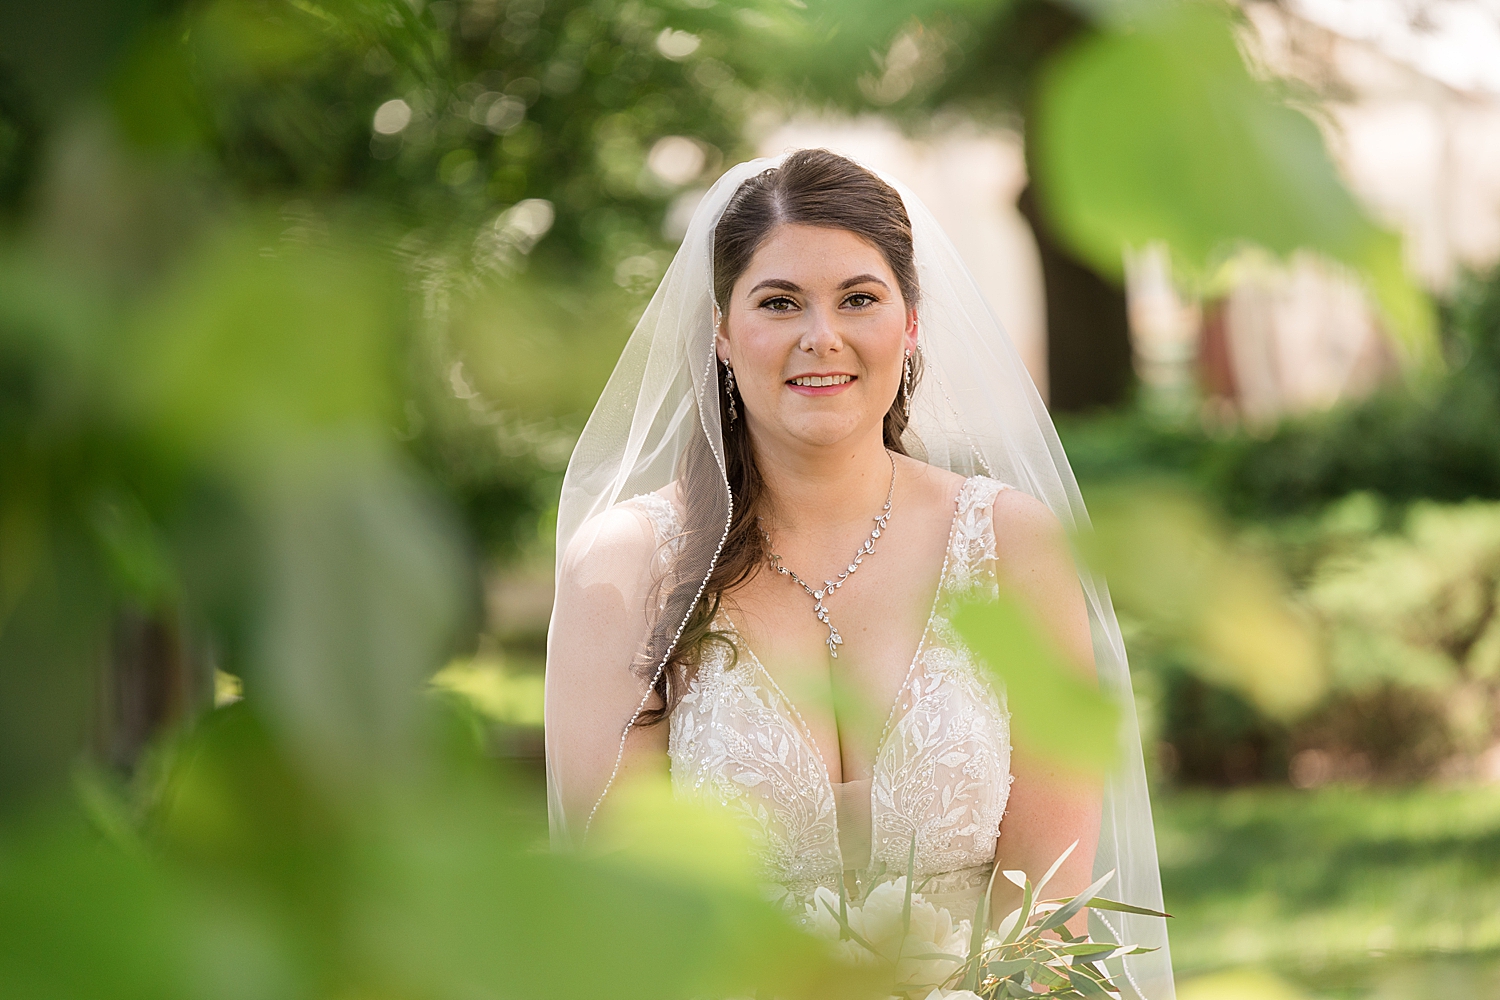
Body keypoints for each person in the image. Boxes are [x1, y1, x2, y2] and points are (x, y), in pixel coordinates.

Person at [544, 149, 1173, 999]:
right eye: (778, 303)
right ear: (722, 335)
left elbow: (1048, 919)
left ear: (909, 322)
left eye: (859, 299)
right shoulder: (629, 571)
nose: (821, 337)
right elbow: (621, 926)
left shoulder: (1014, 548)